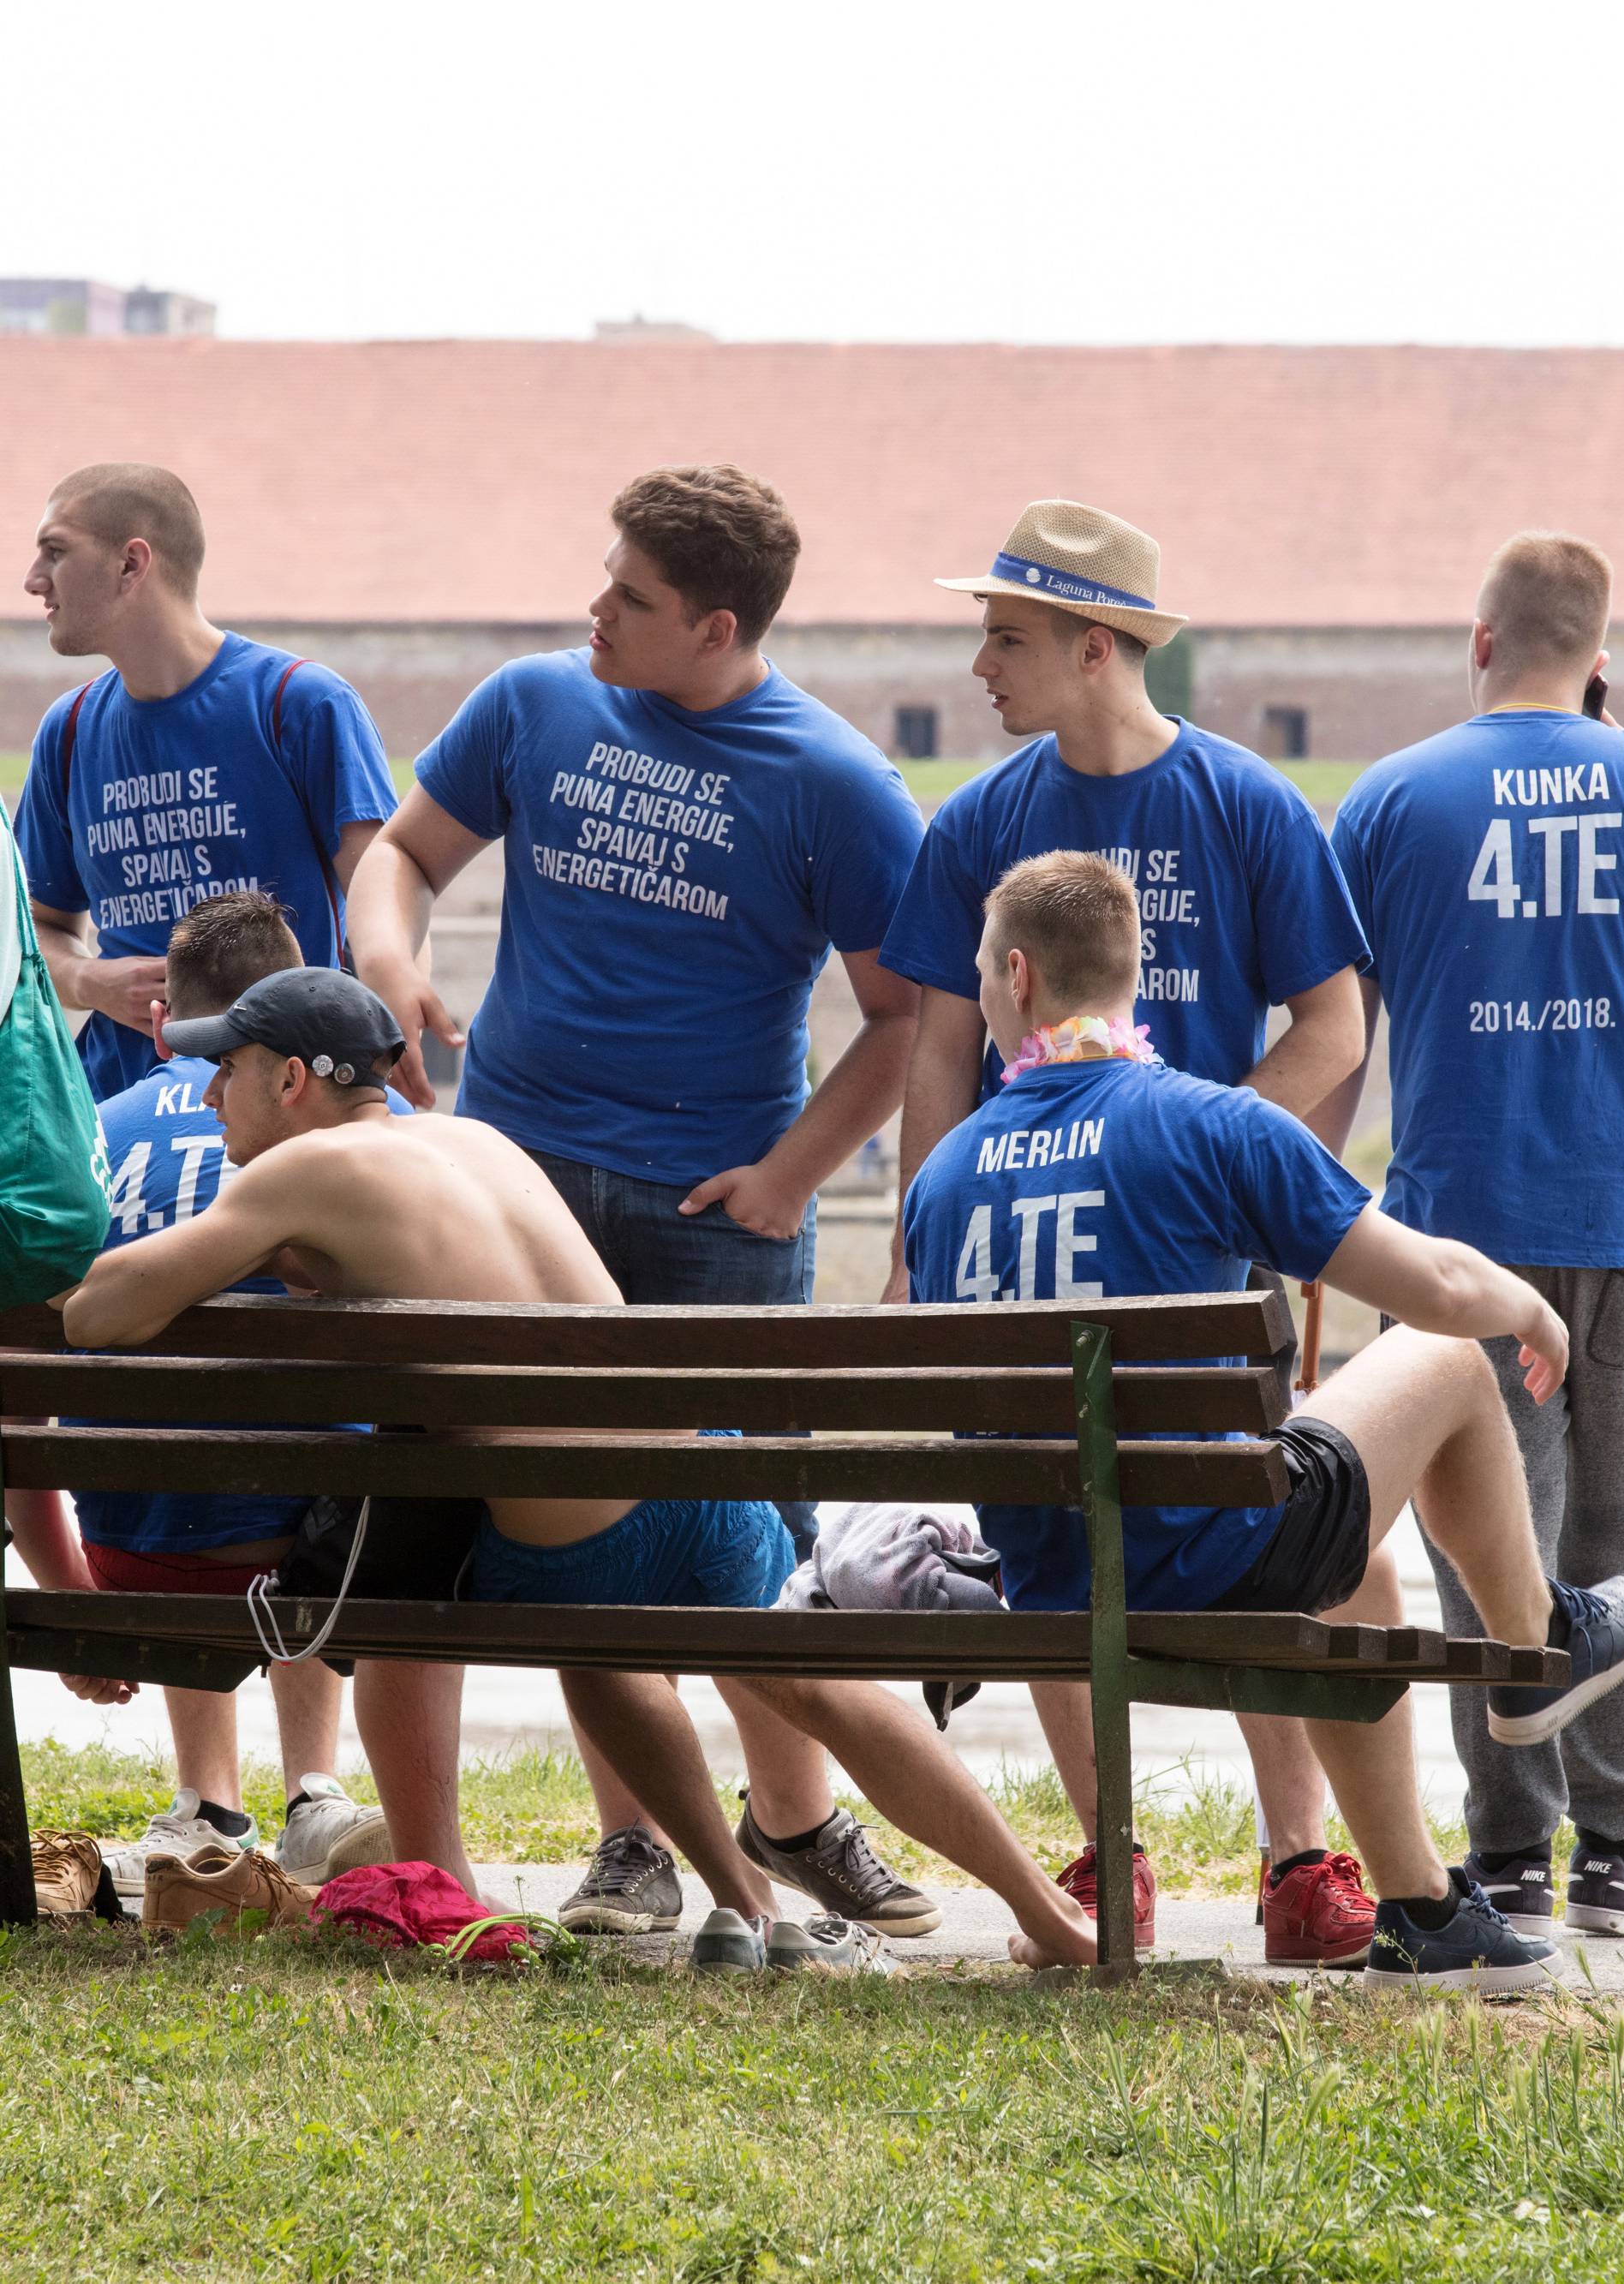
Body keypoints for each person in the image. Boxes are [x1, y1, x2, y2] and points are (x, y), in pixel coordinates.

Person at [57, 966, 1120, 1974]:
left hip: (573, 1548)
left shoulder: (300, 1170)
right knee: (808, 1681)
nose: (207, 1092)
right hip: (702, 1476)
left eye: (226, 1067)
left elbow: (102, 1310)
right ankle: (1046, 1911)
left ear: (292, 1080)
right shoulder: (477, 1138)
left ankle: (737, 1901)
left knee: (511, 1589)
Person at [345, 462, 937, 1937]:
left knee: (740, 1530)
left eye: (632, 597)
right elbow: (401, 856)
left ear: (719, 626)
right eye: (604, 578)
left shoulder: (836, 782)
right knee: (568, 1530)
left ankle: (791, 1818)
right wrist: (391, 962)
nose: (593, 608)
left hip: (711, 1210)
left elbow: (902, 1016)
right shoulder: (536, 703)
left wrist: (793, 1178)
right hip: (517, 1183)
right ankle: (634, 1849)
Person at [903, 848, 1624, 1988]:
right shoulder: (1210, 1123)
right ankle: (1538, 1643)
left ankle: (1423, 1908)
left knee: (1365, 1579)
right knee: (1444, 1358)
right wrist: (1531, 1306)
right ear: (1126, 978)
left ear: (1015, 976)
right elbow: (1436, 1289)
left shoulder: (944, 1175)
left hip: (1052, 1578)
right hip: (1208, 1559)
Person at [879, 499, 1374, 1963]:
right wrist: (920, 1237)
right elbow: (934, 1042)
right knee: (1049, 1509)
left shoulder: (1247, 805)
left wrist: (1213, 1160)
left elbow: (1335, 1024)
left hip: (1199, 1251)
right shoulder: (980, 819)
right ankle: (1110, 1852)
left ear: (1098, 647)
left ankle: (1297, 1857)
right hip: (1024, 1248)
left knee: (1247, 1517)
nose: (980, 660)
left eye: (1009, 634)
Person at [1324, 530, 1624, 1940]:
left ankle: (1506, 1851)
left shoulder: (1389, 800)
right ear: (1601, 656)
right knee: (1622, 1531)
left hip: (1453, 1237)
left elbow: (1343, 1037)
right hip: (1623, 1215)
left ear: (1479, 641)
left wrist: (1313, 1220)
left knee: (1477, 1536)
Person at [4, 891, 393, 1894]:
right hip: (325, 1575)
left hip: (136, 1560)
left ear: (163, 1017)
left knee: (177, 1443)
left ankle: (207, 1796)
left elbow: (18, 1410)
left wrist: (73, 1601)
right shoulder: (341, 1152)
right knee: (355, 1445)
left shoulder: (87, 1139)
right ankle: (316, 1788)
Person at [15, 462, 397, 1101]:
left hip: (285, 1105)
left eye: (55, 551)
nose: (33, 580)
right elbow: (37, 928)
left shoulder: (298, 703)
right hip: (119, 1107)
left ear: (132, 565)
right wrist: (92, 982)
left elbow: (385, 902)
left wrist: (385, 1043)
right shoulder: (71, 729)